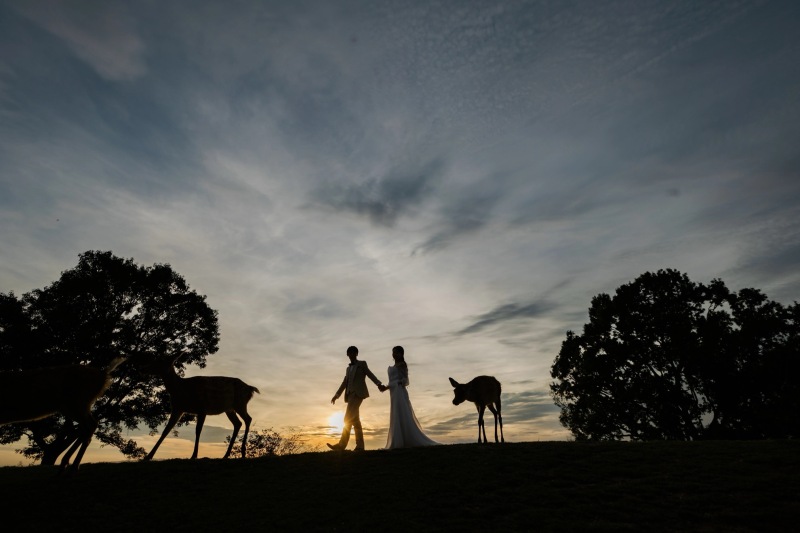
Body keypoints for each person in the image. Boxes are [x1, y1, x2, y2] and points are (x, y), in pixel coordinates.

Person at [328, 346, 386, 451]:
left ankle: (341, 445)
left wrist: (378, 384)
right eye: (349, 352)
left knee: (347, 418)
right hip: (350, 395)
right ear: (347, 355)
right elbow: (344, 383)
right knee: (355, 421)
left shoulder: (362, 364)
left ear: (356, 353)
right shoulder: (348, 368)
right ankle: (360, 446)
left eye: (353, 352)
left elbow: (369, 374)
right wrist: (336, 395)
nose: (351, 354)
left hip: (358, 394)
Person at [384, 346, 439, 449]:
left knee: (403, 413)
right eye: (393, 352)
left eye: (396, 352)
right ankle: (397, 440)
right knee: (395, 414)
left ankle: (405, 439)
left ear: (401, 354)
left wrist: (399, 383)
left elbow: (405, 380)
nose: (394, 354)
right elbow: (391, 382)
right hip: (393, 393)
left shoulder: (402, 365)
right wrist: (385, 387)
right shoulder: (392, 367)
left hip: (399, 392)